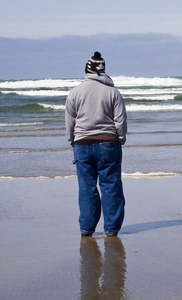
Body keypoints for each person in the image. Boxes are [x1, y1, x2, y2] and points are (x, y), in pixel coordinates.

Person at [65, 51, 127, 237]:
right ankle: (111, 229)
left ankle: (86, 229)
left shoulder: (75, 92)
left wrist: (72, 141)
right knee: (111, 186)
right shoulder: (113, 92)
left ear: (87, 70)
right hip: (108, 144)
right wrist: (121, 139)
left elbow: (70, 122)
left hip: (82, 144)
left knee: (86, 188)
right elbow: (120, 122)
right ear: (103, 70)